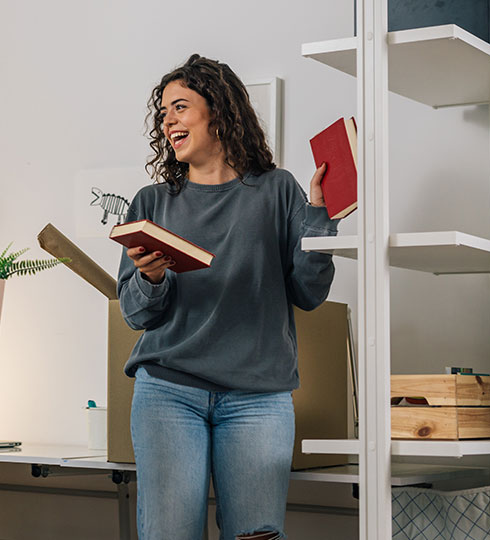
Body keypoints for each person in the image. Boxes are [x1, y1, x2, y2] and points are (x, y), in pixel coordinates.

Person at [117, 54, 338, 540]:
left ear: (218, 110)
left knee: (255, 535)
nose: (167, 120)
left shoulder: (279, 191)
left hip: (259, 397)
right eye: (163, 113)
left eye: (179, 107)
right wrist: (151, 279)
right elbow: (135, 314)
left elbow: (309, 292)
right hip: (168, 393)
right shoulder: (151, 203)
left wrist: (320, 216)